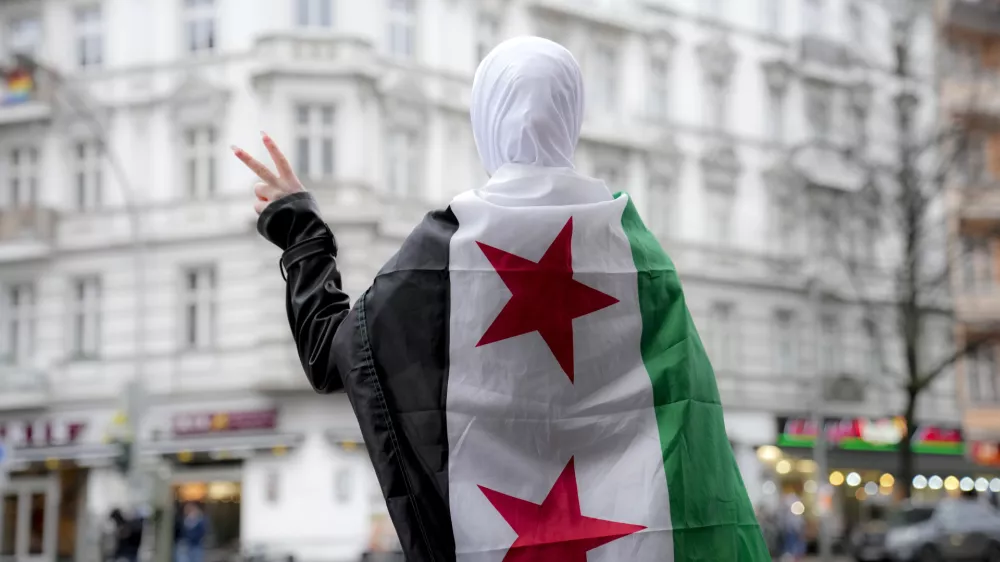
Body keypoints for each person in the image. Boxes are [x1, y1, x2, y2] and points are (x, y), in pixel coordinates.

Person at [233, 36, 769, 561]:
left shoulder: (447, 246)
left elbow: (334, 356)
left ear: (484, 117)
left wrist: (299, 226)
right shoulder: (633, 249)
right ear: (572, 115)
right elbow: (688, 417)